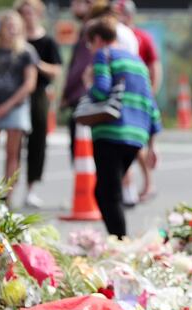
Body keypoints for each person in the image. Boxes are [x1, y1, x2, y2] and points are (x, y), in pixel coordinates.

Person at [84, 16, 160, 238]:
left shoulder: (103, 55)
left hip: (111, 131)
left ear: (97, 39)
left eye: (90, 43)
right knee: (106, 190)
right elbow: (150, 103)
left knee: (108, 194)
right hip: (137, 136)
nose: (91, 49)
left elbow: (101, 90)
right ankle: (118, 240)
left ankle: (120, 242)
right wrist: (153, 144)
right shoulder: (137, 62)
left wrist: (87, 85)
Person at [0, 12, 37, 191]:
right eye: (8, 25)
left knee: (13, 153)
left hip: (16, 107)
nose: (11, 29)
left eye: (14, 25)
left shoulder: (26, 51)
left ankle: (6, 196)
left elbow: (29, 83)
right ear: (1, 29)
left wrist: (7, 106)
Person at [16, 0, 63, 208]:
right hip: (14, 94)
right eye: (23, 13)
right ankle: (8, 189)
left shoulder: (47, 42)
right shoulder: (14, 39)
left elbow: (57, 70)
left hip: (38, 94)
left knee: (37, 142)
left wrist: (38, 64)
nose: (27, 17)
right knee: (13, 143)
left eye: (31, 13)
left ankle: (30, 189)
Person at [116, 0, 161, 204]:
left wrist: (151, 92)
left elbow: (154, 66)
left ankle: (147, 182)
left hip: (138, 95)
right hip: (121, 96)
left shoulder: (142, 38)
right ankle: (128, 187)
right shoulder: (114, 36)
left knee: (138, 143)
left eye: (122, 13)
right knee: (127, 143)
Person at [61, 0, 94, 162]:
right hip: (87, 97)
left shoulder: (90, 29)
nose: (73, 6)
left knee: (82, 151)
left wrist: (66, 93)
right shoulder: (87, 29)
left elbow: (80, 68)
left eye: (77, 2)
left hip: (84, 98)